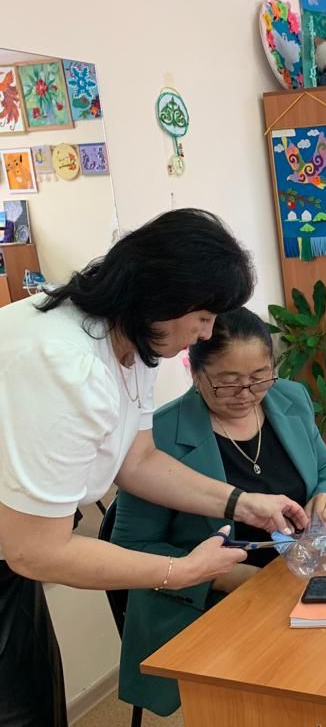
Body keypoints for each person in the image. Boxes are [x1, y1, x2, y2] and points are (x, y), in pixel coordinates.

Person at [0, 209, 308, 727]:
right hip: (19, 546)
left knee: (36, 701)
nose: (206, 333)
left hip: (14, 548)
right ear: (162, 296)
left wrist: (242, 503)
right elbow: (35, 550)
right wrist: (181, 571)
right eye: (203, 317)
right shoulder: (64, 364)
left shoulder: (131, 343)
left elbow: (138, 460)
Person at [113, 307, 326, 715]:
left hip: (294, 580)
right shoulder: (158, 437)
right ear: (195, 372)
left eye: (259, 377)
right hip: (209, 602)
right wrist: (223, 577)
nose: (247, 394)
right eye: (228, 382)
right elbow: (131, 548)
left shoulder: (289, 398)